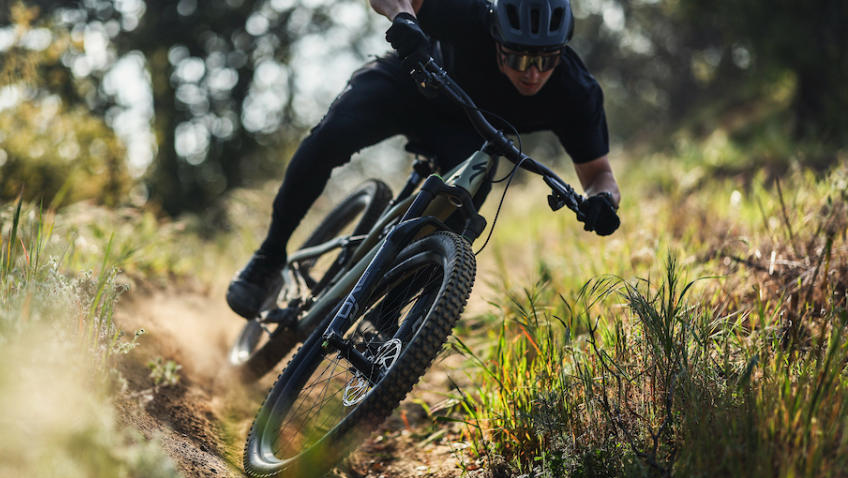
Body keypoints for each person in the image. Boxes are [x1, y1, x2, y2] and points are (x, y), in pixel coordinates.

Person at [226, 0, 620, 319]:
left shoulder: (577, 93)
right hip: (411, 86)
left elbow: (599, 174)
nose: (533, 74)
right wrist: (403, 18)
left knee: (463, 212)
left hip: (469, 135)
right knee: (330, 137)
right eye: (519, 60)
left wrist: (602, 202)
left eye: (546, 60)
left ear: (562, 52)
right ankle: (267, 258)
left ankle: (390, 319)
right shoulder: (469, 16)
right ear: (497, 38)